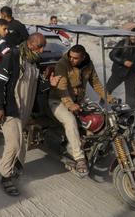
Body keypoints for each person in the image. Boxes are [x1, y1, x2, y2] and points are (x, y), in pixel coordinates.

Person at [0, 33, 54, 196]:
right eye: (39, 46)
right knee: (14, 144)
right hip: (11, 108)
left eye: (43, 47)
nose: (42, 50)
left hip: (25, 109)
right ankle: (5, 177)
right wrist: (0, 107)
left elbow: (39, 87)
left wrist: (49, 83)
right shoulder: (12, 56)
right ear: (30, 43)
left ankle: (17, 165)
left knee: (21, 142)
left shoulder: (35, 61)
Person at [50, 44, 114, 176]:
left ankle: (96, 145)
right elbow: (61, 88)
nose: (72, 60)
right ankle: (79, 158)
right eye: (71, 57)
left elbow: (95, 83)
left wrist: (109, 98)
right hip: (58, 100)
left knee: (100, 116)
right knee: (70, 120)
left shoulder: (88, 65)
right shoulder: (63, 64)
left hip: (79, 100)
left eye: (75, 58)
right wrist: (69, 104)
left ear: (83, 57)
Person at [106, 28, 135, 109]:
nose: (133, 38)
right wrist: (123, 62)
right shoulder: (123, 43)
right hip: (119, 71)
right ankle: (101, 107)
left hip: (132, 73)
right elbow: (112, 55)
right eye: (132, 35)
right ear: (129, 35)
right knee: (108, 89)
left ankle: (130, 112)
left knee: (131, 93)